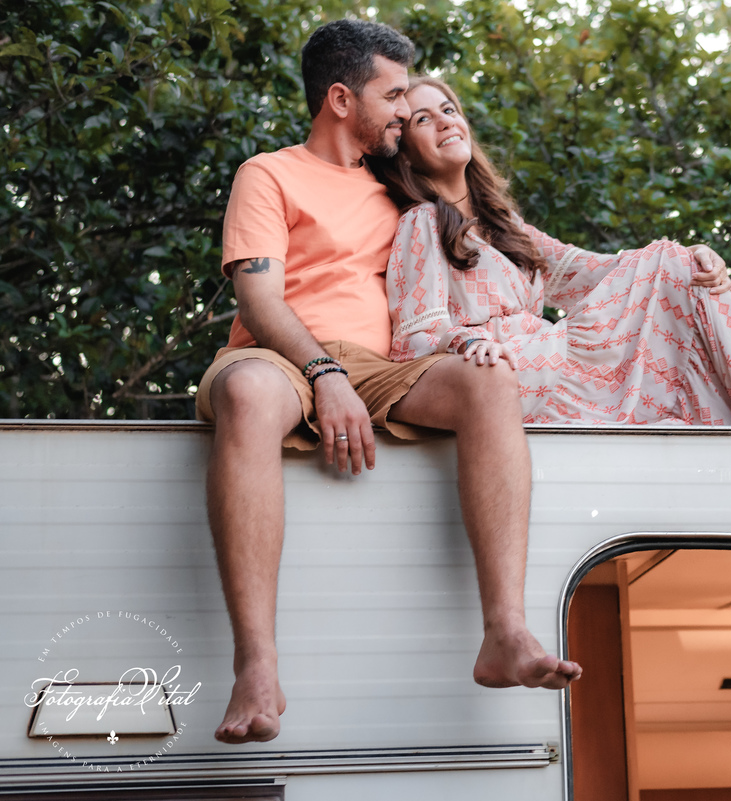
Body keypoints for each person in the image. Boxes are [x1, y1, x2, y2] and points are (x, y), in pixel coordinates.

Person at [194, 23, 580, 746]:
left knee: (488, 382)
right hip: (281, 356)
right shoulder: (270, 173)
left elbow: (492, 253)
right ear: (341, 99)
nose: (406, 109)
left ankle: (504, 630)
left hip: (386, 365)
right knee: (247, 396)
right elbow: (259, 301)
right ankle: (257, 664)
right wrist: (324, 373)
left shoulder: (398, 189)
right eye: (394, 94)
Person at [376, 77, 731, 432]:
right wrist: (469, 341)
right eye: (422, 119)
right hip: (510, 374)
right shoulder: (422, 225)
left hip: (560, 362)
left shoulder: (510, 230)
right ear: (409, 154)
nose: (444, 122)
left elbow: (596, 273)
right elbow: (415, 336)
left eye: (449, 109)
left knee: (677, 265)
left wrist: (693, 255)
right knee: (670, 269)